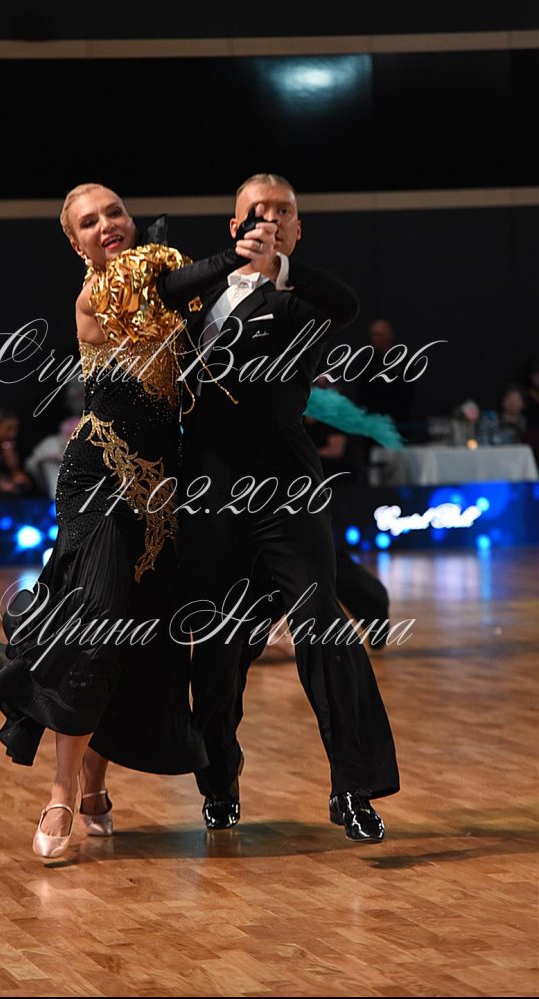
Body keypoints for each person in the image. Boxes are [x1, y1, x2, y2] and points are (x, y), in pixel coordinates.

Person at [0, 182, 275, 858]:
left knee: (136, 637)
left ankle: (93, 785)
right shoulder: (99, 294)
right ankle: (61, 794)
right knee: (98, 618)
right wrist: (236, 253)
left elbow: (198, 316)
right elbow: (167, 288)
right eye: (90, 222)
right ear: (75, 244)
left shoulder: (164, 279)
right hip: (100, 477)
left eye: (114, 212)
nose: (107, 225)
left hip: (162, 494)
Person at [178, 173, 400, 842]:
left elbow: (347, 302)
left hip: (286, 489)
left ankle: (354, 787)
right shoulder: (199, 294)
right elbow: (164, 294)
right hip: (211, 491)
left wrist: (278, 267)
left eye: (284, 212)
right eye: (257, 211)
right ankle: (219, 782)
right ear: (234, 225)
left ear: (297, 230)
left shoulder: (306, 300)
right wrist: (229, 263)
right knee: (218, 648)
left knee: (321, 624)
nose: (270, 218)